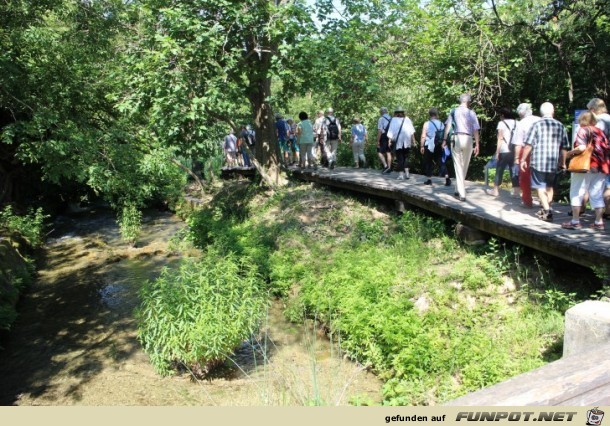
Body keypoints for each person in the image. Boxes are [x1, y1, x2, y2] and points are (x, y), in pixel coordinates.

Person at [520, 102, 570, 222]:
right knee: (549, 187)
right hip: (553, 162)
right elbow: (564, 148)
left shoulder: (536, 125)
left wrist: (522, 159)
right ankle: (547, 207)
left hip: (538, 161)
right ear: (552, 112)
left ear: (541, 113)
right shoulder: (560, 125)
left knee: (540, 187)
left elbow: (528, 145)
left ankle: (547, 211)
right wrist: (563, 162)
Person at [561, 112, 610, 230]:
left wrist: (569, 154)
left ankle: (575, 221)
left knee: (577, 192)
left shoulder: (583, 130)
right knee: (597, 194)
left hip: (585, 167)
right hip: (601, 167)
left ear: (582, 120)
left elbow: (581, 147)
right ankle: (599, 223)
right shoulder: (601, 132)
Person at [443, 94, 480, 201]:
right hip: (468, 139)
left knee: (458, 165)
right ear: (468, 102)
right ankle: (461, 192)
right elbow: (476, 130)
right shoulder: (471, 113)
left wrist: (445, 140)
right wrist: (477, 144)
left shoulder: (453, 111)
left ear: (460, 101)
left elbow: (448, 126)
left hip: (456, 138)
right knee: (464, 166)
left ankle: (458, 190)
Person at [513, 103, 541, 208]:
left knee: (524, 176)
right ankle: (544, 201)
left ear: (521, 113)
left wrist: (516, 158)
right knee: (541, 175)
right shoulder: (539, 119)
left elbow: (518, 143)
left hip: (526, 150)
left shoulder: (521, 123)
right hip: (540, 150)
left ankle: (527, 201)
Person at [587, 98, 610, 219]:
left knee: (605, 185)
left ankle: (606, 212)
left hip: (604, 157)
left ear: (593, 109)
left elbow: (597, 140)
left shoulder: (600, 120)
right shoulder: (609, 118)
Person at [488, 107, 518, 197]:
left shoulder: (501, 123)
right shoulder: (517, 123)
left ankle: (496, 190)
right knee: (513, 170)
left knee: (499, 170)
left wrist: (497, 152)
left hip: (504, 150)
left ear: (502, 115)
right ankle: (516, 192)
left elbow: (500, 138)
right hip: (514, 150)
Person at [419, 108, 449, 186]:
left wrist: (422, 146)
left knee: (428, 162)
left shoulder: (427, 123)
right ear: (436, 114)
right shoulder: (441, 123)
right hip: (438, 144)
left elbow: (423, 136)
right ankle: (447, 178)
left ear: (430, 114)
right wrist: (443, 143)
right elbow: (444, 134)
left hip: (429, 145)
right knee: (440, 161)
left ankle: (429, 179)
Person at [386, 106, 416, 180]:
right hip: (407, 141)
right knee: (406, 157)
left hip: (398, 141)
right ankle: (407, 174)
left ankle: (401, 175)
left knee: (400, 158)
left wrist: (389, 141)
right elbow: (412, 131)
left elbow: (390, 131)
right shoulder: (407, 119)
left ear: (395, 113)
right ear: (403, 112)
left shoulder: (393, 120)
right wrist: (414, 141)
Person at [376, 107, 393, 174]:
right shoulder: (391, 118)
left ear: (381, 112)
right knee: (388, 152)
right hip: (390, 136)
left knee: (379, 151)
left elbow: (380, 130)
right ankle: (389, 168)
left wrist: (377, 140)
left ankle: (386, 166)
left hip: (383, 136)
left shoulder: (381, 119)